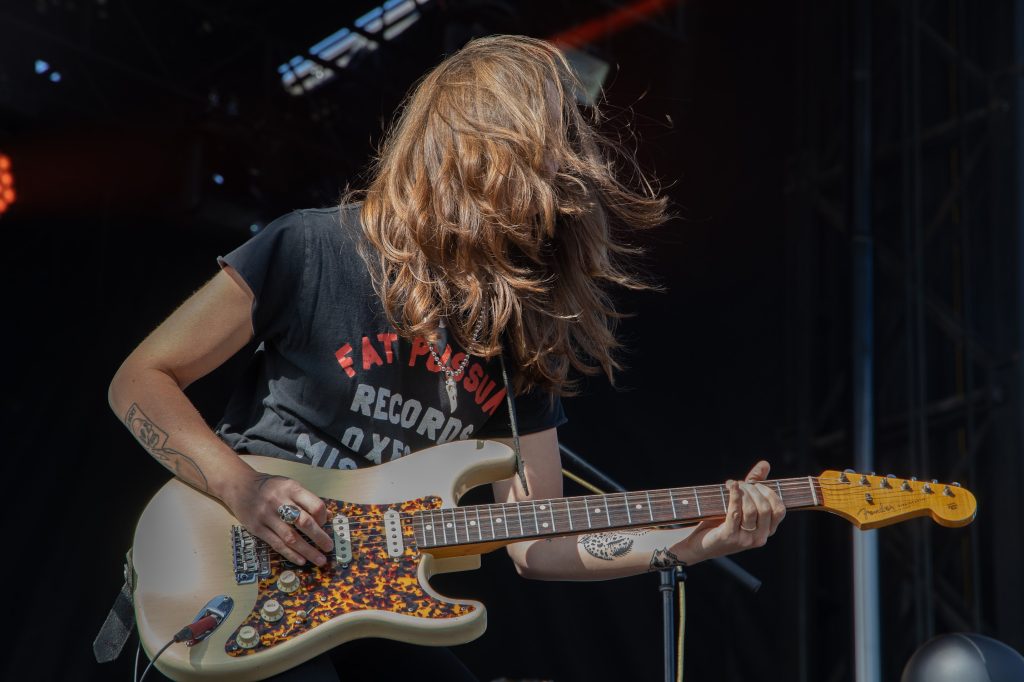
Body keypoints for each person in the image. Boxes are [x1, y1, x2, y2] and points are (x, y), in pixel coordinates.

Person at [109, 34, 786, 681]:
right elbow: (140, 380)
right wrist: (244, 487)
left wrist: (687, 544)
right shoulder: (314, 248)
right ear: (476, 150)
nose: (560, 178)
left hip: (366, 603)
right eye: (543, 154)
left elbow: (539, 542)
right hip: (245, 565)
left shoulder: (518, 336)